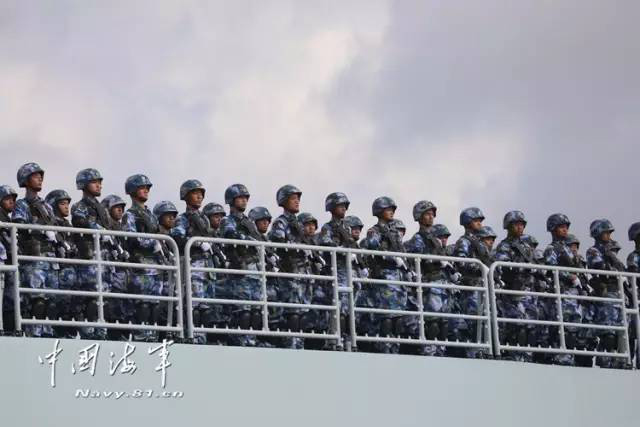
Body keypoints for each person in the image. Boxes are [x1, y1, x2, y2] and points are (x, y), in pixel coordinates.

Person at [12, 163, 59, 338]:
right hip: (34, 259)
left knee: (51, 303)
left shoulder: (47, 206)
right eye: (35, 176)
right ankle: (34, 334)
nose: (40, 178)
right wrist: (40, 228)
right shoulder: (21, 204)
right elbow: (20, 226)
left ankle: (48, 333)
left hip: (51, 259)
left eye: (41, 176)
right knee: (36, 302)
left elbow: (55, 226)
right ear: (25, 180)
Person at [358, 196, 409, 354]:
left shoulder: (395, 233)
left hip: (399, 278)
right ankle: (384, 349)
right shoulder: (374, 231)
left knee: (398, 319)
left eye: (392, 209)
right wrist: (391, 257)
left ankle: (395, 348)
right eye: (388, 209)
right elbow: (372, 246)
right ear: (379, 211)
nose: (391, 212)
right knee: (386, 318)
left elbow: (402, 251)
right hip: (385, 277)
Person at [404, 200, 454, 356]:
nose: (431, 217)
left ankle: (441, 350)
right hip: (430, 283)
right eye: (427, 214)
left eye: (432, 214)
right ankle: (429, 350)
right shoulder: (418, 238)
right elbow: (417, 258)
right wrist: (435, 260)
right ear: (419, 217)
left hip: (443, 283)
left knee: (444, 323)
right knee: (432, 322)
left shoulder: (436, 240)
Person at [71, 168, 115, 339]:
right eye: (94, 182)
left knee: (104, 299)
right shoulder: (79, 206)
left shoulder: (102, 209)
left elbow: (110, 228)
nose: (99, 185)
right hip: (90, 257)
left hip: (105, 258)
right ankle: (89, 332)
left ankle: (101, 331)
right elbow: (80, 220)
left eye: (100, 182)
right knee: (91, 297)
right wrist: (99, 229)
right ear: (84, 184)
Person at [171, 180, 217, 344]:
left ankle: (202, 337)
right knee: (194, 307)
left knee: (206, 308)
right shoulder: (183, 219)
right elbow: (177, 237)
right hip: (193, 267)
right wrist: (197, 243)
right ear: (186, 196)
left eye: (200, 194)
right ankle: (193, 337)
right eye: (195, 193)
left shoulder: (204, 219)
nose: (199, 196)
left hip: (208, 268)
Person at [219, 184, 264, 347]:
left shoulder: (249, 222)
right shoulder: (227, 220)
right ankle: (240, 341)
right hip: (241, 270)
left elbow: (259, 239)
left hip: (255, 271)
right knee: (243, 312)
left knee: (256, 312)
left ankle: (252, 340)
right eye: (240, 198)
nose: (244, 200)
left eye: (246, 198)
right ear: (231, 200)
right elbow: (230, 233)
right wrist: (247, 239)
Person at [268, 185, 312, 349]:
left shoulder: (299, 223)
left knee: (304, 313)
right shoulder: (281, 222)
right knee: (292, 313)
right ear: (284, 201)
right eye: (293, 198)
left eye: (298, 199)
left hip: (304, 272)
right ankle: (291, 343)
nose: (297, 201)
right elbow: (279, 241)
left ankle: (300, 343)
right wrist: (298, 246)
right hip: (290, 271)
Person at [494, 211, 538, 362]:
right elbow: (503, 265)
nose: (520, 227)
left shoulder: (527, 246)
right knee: (517, 327)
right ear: (508, 226)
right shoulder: (504, 246)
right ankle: (515, 356)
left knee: (531, 328)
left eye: (522, 224)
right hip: (514, 292)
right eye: (516, 224)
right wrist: (520, 267)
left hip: (529, 291)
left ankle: (528, 357)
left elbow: (536, 263)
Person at [586, 219, 627, 368]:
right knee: (608, 334)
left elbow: (622, 269)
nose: (608, 235)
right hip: (606, 293)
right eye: (605, 232)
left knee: (621, 333)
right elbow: (599, 266)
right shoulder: (593, 251)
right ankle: (605, 362)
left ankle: (620, 361)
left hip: (618, 293)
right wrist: (612, 265)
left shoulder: (612, 253)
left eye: (609, 232)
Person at [453, 207, 492, 358]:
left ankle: (482, 351)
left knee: (484, 323)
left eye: (480, 221)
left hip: (483, 288)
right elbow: (461, 262)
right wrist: (479, 267)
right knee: (473, 323)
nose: (480, 223)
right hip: (470, 289)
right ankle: (472, 353)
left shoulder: (480, 243)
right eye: (476, 221)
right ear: (468, 222)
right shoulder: (464, 241)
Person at [45, 189, 78, 338]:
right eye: (62, 203)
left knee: (70, 307)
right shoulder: (52, 224)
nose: (66, 207)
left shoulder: (68, 225)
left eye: (67, 203)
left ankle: (67, 334)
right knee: (54, 305)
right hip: (57, 271)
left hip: (70, 270)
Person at [0, 185, 18, 333]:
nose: (11, 201)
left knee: (12, 300)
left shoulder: (7, 219)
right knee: (8, 300)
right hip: (4, 264)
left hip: (10, 263)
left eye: (13, 199)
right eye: (7, 198)